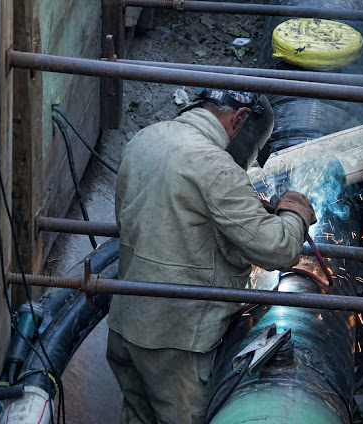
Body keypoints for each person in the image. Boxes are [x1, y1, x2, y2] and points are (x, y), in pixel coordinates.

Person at [106, 88, 316, 424]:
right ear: (240, 119)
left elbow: (143, 222)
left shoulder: (145, 139)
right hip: (175, 344)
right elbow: (279, 249)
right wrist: (294, 211)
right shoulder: (215, 167)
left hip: (124, 326)